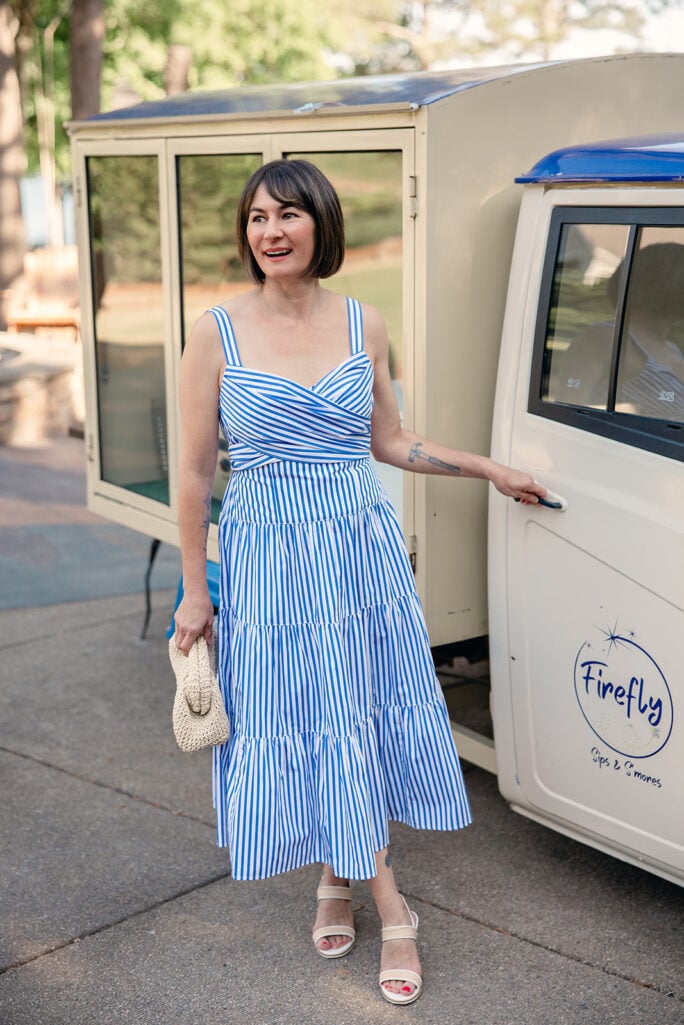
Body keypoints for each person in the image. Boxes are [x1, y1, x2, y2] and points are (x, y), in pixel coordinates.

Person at [172, 158, 546, 1006]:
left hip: (355, 545)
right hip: (267, 549)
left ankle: (340, 877)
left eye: (288, 216)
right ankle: (387, 897)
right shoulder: (216, 330)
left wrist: (487, 466)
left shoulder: (364, 322)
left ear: (321, 224)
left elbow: (390, 440)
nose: (270, 232)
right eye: (257, 218)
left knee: (355, 706)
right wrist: (198, 589)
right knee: (304, 710)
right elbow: (194, 473)